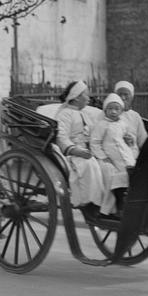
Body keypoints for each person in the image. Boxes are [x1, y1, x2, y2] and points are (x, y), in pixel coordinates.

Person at [54, 80, 106, 215]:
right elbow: (61, 137)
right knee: (89, 164)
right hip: (73, 154)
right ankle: (89, 203)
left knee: (106, 165)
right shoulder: (64, 114)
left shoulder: (84, 113)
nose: (89, 98)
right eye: (86, 95)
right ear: (77, 97)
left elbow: (95, 133)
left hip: (89, 150)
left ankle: (105, 203)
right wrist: (77, 151)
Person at [90, 93, 139, 217]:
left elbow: (129, 137)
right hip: (111, 157)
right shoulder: (102, 125)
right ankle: (118, 207)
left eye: (116, 109)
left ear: (121, 111)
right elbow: (95, 142)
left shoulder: (123, 124)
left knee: (132, 175)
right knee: (118, 178)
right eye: (110, 109)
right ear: (105, 110)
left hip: (125, 155)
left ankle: (131, 205)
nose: (113, 112)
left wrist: (130, 140)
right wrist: (103, 157)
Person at [113, 80, 148, 151]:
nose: (123, 98)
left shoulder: (135, 116)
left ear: (131, 97)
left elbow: (143, 142)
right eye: (120, 94)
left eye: (126, 94)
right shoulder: (108, 115)